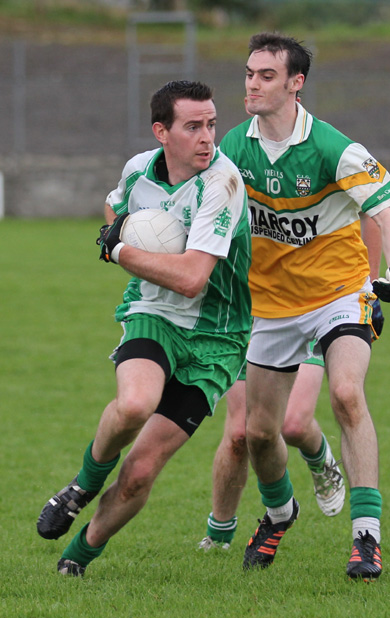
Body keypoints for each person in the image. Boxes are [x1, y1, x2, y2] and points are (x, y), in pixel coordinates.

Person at [36, 80, 252, 577]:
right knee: (134, 403)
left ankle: (78, 557)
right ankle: (83, 484)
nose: (208, 138)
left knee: (139, 473)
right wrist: (119, 233)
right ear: (162, 132)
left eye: (212, 125)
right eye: (193, 126)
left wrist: (121, 251)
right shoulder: (139, 169)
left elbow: (195, 279)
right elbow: (115, 210)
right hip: (153, 312)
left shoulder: (222, 183)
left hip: (216, 341)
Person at [216, 33, 390, 580]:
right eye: (249, 73)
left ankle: (366, 538)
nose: (252, 83)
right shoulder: (234, 146)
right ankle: (280, 514)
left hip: (339, 294)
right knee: (259, 433)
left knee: (347, 394)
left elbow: (389, 217)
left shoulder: (334, 148)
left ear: (295, 84)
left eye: (266, 75)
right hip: (271, 307)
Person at [198, 216, 384, 551]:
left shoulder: (328, 165)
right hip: (248, 308)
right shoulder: (227, 166)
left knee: (295, 423)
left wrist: (368, 285)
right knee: (242, 432)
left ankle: (320, 458)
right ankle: (220, 533)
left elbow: (375, 212)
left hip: (315, 301)